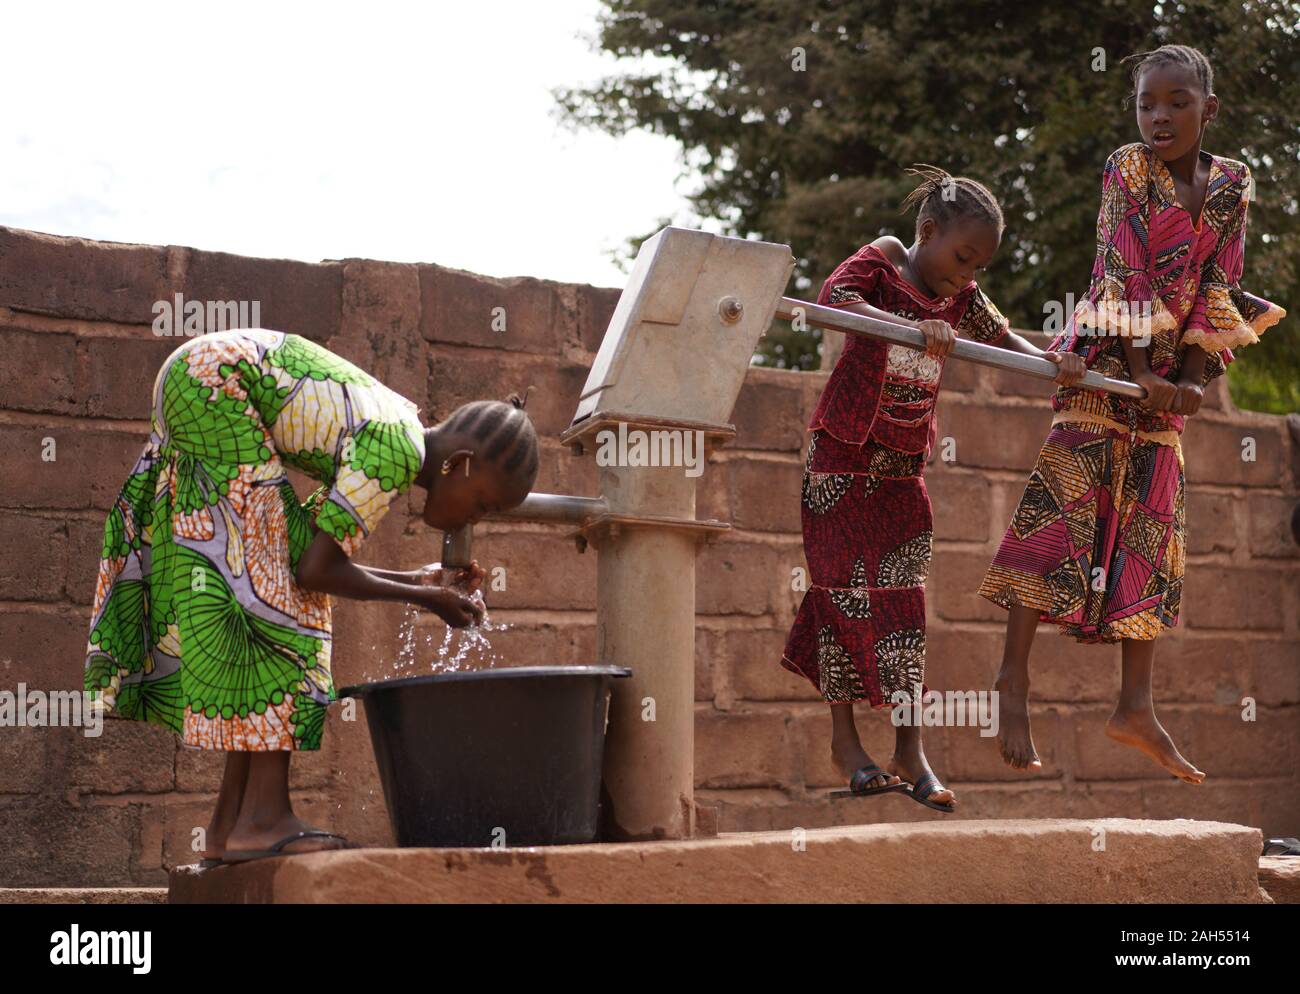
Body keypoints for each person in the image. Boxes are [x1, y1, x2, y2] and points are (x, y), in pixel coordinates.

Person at [84, 327, 538, 862]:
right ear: (460, 464)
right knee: (285, 612)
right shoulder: (394, 450)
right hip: (215, 384)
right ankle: (264, 818)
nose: (474, 519)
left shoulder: (392, 428)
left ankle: (229, 826)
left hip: (200, 377)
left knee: (266, 592)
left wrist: (421, 583)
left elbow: (307, 556)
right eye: (482, 503)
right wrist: (427, 599)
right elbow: (318, 573)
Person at [978, 45, 1285, 781]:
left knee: (1151, 525)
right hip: (1108, 361)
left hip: (1166, 378)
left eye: (1178, 102)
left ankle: (1136, 706)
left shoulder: (1232, 184)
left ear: (1208, 111)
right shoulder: (1128, 168)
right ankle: (1012, 679)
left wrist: (1193, 375)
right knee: (1062, 508)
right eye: (1148, 103)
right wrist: (1145, 370)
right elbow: (1123, 268)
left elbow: (1222, 281)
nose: (1160, 116)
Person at [780, 165, 1085, 811]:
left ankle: (909, 747)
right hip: (841, 458)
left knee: (905, 606)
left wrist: (1054, 360)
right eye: (961, 256)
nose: (967, 274)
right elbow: (836, 297)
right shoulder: (887, 260)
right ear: (927, 231)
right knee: (842, 596)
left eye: (979, 267)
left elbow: (1003, 340)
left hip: (902, 467)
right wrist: (910, 328)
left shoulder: (961, 295)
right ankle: (846, 746)